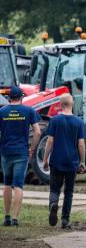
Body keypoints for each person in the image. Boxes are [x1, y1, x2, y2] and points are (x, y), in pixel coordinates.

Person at [42, 94, 85, 229]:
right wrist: (82, 161)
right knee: (69, 191)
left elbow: (50, 141)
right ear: (72, 104)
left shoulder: (55, 120)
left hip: (56, 161)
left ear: (61, 105)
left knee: (54, 189)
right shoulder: (78, 122)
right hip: (72, 162)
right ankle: (65, 219)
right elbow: (81, 144)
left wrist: (45, 159)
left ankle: (53, 204)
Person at [0, 86, 41, 226]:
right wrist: (32, 148)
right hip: (21, 152)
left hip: (6, 152)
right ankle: (15, 218)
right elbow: (38, 132)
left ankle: (6, 217)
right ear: (22, 97)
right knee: (18, 185)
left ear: (9, 97)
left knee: (7, 183)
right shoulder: (29, 111)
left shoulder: (2, 111)